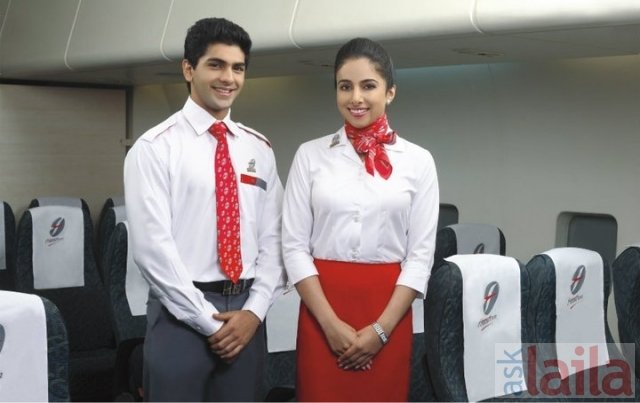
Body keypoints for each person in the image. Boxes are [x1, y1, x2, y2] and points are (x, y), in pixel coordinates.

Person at [124, 17, 285, 401]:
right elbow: (152, 250)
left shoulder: (259, 148)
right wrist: (206, 322)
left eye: (238, 68)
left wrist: (254, 311)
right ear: (188, 69)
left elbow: (276, 237)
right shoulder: (155, 148)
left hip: (246, 313)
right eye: (216, 65)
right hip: (179, 315)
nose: (228, 78)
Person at [282, 37, 439, 401]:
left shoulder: (418, 161)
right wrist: (329, 324)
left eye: (368, 86)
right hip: (322, 309)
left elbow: (420, 257)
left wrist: (381, 331)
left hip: (388, 310)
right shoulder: (309, 155)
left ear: (390, 92)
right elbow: (293, 247)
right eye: (345, 86)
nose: (356, 98)